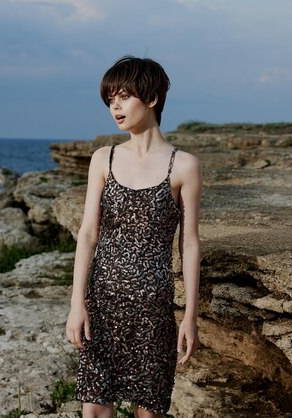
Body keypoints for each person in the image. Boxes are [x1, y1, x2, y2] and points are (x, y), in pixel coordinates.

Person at [65, 55, 201, 418]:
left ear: (152, 98)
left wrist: (190, 314)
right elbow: (88, 233)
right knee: (94, 410)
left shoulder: (184, 165)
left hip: (153, 310)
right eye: (110, 99)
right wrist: (77, 302)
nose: (115, 106)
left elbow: (188, 243)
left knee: (149, 412)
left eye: (124, 96)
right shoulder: (103, 159)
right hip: (103, 303)